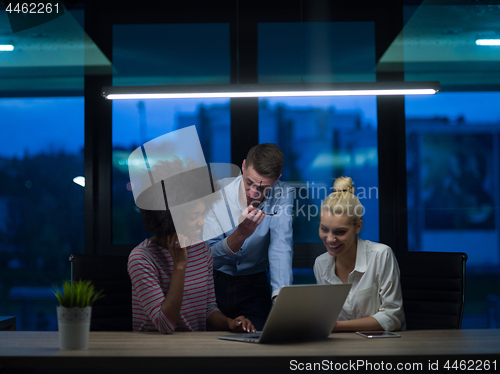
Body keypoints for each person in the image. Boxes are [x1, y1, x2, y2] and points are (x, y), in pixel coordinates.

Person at [127, 158, 255, 334]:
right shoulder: (141, 259)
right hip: (153, 354)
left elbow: (208, 309)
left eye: (202, 214)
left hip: (193, 351)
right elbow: (165, 325)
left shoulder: (202, 251)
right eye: (193, 216)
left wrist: (229, 323)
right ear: (171, 218)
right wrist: (179, 265)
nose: (201, 222)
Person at [203, 143, 294, 331]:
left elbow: (281, 247)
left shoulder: (284, 194)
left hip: (255, 287)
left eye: (263, 188)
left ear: (277, 179)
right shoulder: (216, 191)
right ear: (243, 166)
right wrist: (240, 235)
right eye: (249, 182)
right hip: (213, 285)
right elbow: (207, 257)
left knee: (257, 351)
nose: (253, 193)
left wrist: (281, 303)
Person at [313, 176, 405, 332]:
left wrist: (337, 327)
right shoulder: (321, 264)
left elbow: (392, 317)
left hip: (381, 347)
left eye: (340, 232)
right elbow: (326, 316)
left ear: (358, 227)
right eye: (324, 229)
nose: (330, 239)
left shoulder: (381, 255)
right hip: (340, 349)